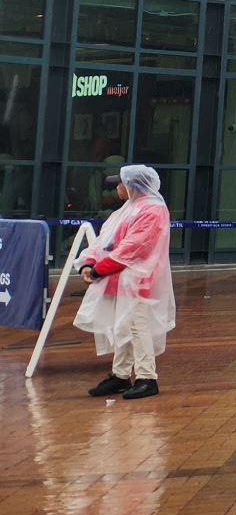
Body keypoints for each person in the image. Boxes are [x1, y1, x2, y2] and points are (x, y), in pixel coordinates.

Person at [76, 165, 175, 402]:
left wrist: (98, 268)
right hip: (118, 278)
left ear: (133, 185)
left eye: (120, 183)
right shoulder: (126, 210)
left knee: (137, 326)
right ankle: (121, 375)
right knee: (123, 326)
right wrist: (88, 263)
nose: (116, 188)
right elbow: (104, 242)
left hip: (137, 280)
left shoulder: (152, 210)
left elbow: (134, 248)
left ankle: (147, 377)